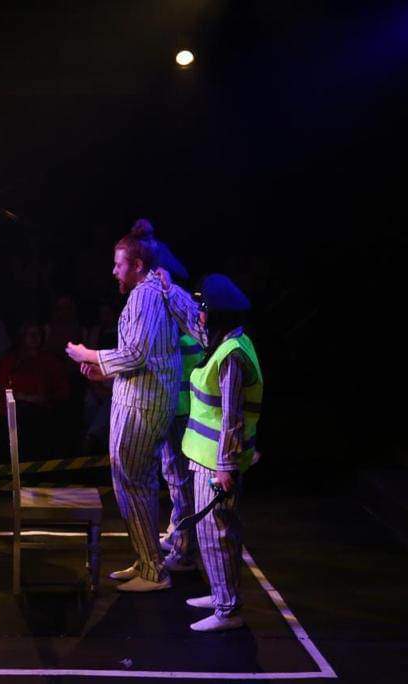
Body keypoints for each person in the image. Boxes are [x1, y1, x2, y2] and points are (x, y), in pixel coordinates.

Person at [65, 219, 181, 592]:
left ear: (137, 265)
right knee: (132, 482)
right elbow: (142, 358)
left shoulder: (146, 294)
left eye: (119, 264)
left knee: (136, 483)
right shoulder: (146, 293)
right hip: (139, 399)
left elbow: (135, 354)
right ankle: (146, 559)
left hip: (144, 407)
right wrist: (104, 373)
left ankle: (153, 571)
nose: (114, 271)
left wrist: (90, 354)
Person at [157, 271, 264, 632]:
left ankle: (228, 609)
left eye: (204, 308)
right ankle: (221, 594)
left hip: (217, 462)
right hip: (205, 457)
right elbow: (192, 322)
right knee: (209, 532)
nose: (200, 314)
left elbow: (232, 416)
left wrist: (226, 466)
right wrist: (170, 289)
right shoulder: (224, 342)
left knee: (218, 534)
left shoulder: (231, 355)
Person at [154, 242, 205, 572]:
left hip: (181, 408)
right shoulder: (178, 305)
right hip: (176, 406)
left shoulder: (178, 308)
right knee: (173, 475)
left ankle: (184, 549)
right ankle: (178, 532)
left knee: (179, 477)